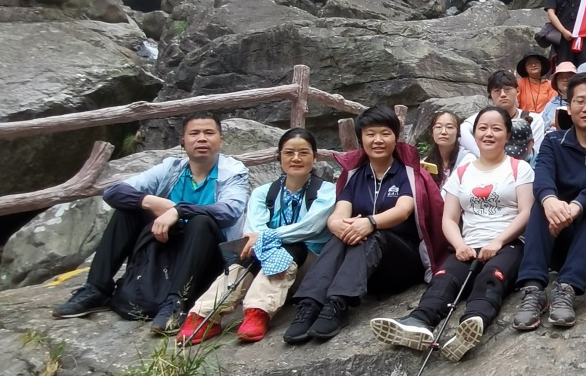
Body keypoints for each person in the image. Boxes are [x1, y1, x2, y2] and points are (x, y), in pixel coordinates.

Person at [53, 113, 250, 334]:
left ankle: (176, 303)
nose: (202, 138)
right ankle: (96, 288)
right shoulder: (172, 168)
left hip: (208, 258)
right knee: (129, 210)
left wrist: (178, 210)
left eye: (209, 133)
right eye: (194, 133)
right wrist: (149, 201)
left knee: (201, 222)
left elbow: (229, 212)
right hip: (167, 249)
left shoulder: (233, 171)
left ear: (220, 140)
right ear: (183, 141)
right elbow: (113, 192)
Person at [371, 106, 533, 361]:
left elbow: (526, 212)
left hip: (510, 243)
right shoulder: (463, 172)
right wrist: (459, 245)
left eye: (496, 128)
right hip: (469, 244)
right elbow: (449, 218)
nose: (488, 134)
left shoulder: (519, 168)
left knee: (491, 275)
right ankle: (419, 321)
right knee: (444, 277)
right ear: (474, 133)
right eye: (483, 128)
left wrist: (499, 241)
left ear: (507, 134)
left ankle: (472, 322)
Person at [284, 106, 444, 344]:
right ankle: (310, 304)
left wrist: (370, 222)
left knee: (374, 234)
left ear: (395, 138)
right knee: (341, 235)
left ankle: (338, 304)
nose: (378, 140)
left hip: (402, 263)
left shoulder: (407, 174)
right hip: (366, 268)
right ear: (361, 139)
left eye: (385, 133)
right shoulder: (355, 176)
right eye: (370, 134)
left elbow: (403, 210)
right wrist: (339, 226)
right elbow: (338, 214)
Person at [178, 128, 336, 345]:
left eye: (304, 153)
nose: (296, 158)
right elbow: (253, 230)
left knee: (288, 245)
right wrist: (261, 240)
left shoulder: (328, 191)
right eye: (289, 152)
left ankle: (258, 311)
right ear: (279, 156)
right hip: (268, 267)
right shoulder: (263, 193)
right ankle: (203, 314)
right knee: (249, 249)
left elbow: (310, 228)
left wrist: (266, 238)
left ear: (314, 157)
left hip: (309, 270)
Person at [512, 71, 586, 331]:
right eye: (579, 101)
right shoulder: (553, 141)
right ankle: (533, 289)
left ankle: (567, 287)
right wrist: (550, 202)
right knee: (543, 202)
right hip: (561, 246)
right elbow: (542, 176)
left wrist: (575, 208)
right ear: (569, 107)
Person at [463, 69, 541, 161]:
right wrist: (483, 156)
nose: (503, 94)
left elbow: (536, 152)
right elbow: (462, 130)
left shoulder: (534, 119)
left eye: (507, 90)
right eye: (497, 91)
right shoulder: (484, 117)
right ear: (490, 95)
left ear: (518, 91)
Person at [539, 57, 582, 140]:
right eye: (561, 77)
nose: (565, 79)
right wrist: (551, 123)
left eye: (569, 76)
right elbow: (540, 127)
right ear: (556, 82)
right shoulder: (551, 104)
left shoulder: (584, 102)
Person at [422, 109, 462, 186]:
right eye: (438, 127)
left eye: (449, 127)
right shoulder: (426, 162)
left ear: (458, 132)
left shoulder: (467, 160)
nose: (443, 132)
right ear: (432, 132)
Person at [516, 51, 555, 116]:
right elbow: (515, 104)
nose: (533, 65)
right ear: (525, 68)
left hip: (544, 118)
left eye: (536, 62)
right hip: (523, 118)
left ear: (541, 65)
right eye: (529, 63)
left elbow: (552, 105)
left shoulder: (550, 85)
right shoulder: (520, 83)